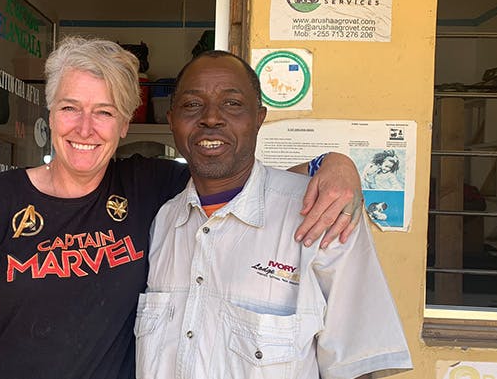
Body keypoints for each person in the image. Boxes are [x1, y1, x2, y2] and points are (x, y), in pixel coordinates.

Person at [0, 37, 363, 379]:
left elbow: (243, 176)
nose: (85, 128)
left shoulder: (149, 186)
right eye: (70, 108)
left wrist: (335, 165)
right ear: (50, 113)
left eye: (105, 112)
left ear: (126, 123)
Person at [136, 51, 412, 379]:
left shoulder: (321, 214)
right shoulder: (164, 221)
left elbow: (356, 367)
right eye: (192, 105)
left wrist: (336, 160)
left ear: (259, 118)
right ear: (171, 121)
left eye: (233, 103)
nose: (211, 118)